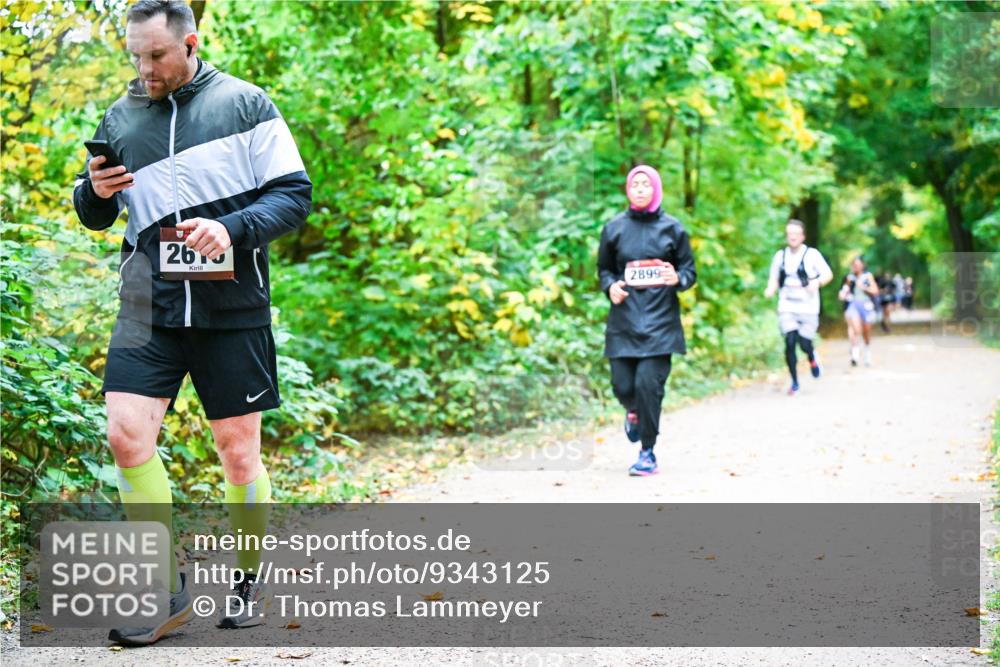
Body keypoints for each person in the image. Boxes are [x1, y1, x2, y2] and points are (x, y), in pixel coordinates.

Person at [73, 0, 311, 645]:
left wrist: (231, 228)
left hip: (230, 304)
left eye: (156, 55)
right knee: (126, 437)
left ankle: (248, 580)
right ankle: (165, 590)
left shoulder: (245, 104)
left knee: (238, 452)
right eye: (135, 56)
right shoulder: (120, 116)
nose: (144, 69)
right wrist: (94, 191)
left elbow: (294, 195)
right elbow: (93, 211)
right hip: (146, 303)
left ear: (191, 42)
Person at [597, 165, 696, 476]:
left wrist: (677, 277)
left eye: (646, 184)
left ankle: (647, 452)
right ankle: (633, 412)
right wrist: (610, 287)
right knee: (622, 385)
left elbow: (689, 271)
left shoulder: (673, 229)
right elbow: (604, 270)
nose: (640, 189)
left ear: (655, 189)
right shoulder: (614, 229)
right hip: (624, 322)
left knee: (647, 386)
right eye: (635, 184)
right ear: (628, 190)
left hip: (660, 324)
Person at [763, 219, 833, 395]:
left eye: (796, 234)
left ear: (803, 236)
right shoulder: (780, 256)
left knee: (804, 343)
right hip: (787, 306)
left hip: (808, 307)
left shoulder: (812, 255)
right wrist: (770, 289)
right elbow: (774, 278)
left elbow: (827, 274)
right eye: (789, 234)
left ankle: (812, 357)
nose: (792, 237)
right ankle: (794, 382)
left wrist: (817, 282)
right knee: (790, 341)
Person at [837, 257, 880, 366]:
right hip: (853, 305)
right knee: (855, 329)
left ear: (862, 265)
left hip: (866, 305)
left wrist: (864, 287)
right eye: (854, 265)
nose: (855, 267)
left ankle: (867, 353)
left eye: (857, 265)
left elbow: (875, 291)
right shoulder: (849, 277)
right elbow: (843, 291)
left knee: (866, 332)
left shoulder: (867, 276)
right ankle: (855, 354)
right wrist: (843, 293)